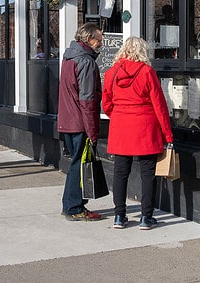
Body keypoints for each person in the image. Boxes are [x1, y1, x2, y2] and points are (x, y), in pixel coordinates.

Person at [101, 36, 173, 231]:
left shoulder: (111, 73)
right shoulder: (147, 72)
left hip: (121, 127)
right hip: (145, 127)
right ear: (143, 51)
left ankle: (119, 216)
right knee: (147, 173)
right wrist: (168, 135)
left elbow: (106, 103)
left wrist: (117, 115)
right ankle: (145, 217)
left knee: (120, 173)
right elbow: (159, 105)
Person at [57, 22, 104, 222]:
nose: (101, 43)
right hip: (79, 123)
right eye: (98, 40)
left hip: (67, 120)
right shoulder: (86, 62)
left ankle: (71, 203)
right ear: (88, 39)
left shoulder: (69, 58)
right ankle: (74, 207)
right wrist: (92, 131)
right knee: (79, 164)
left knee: (76, 163)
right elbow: (87, 99)